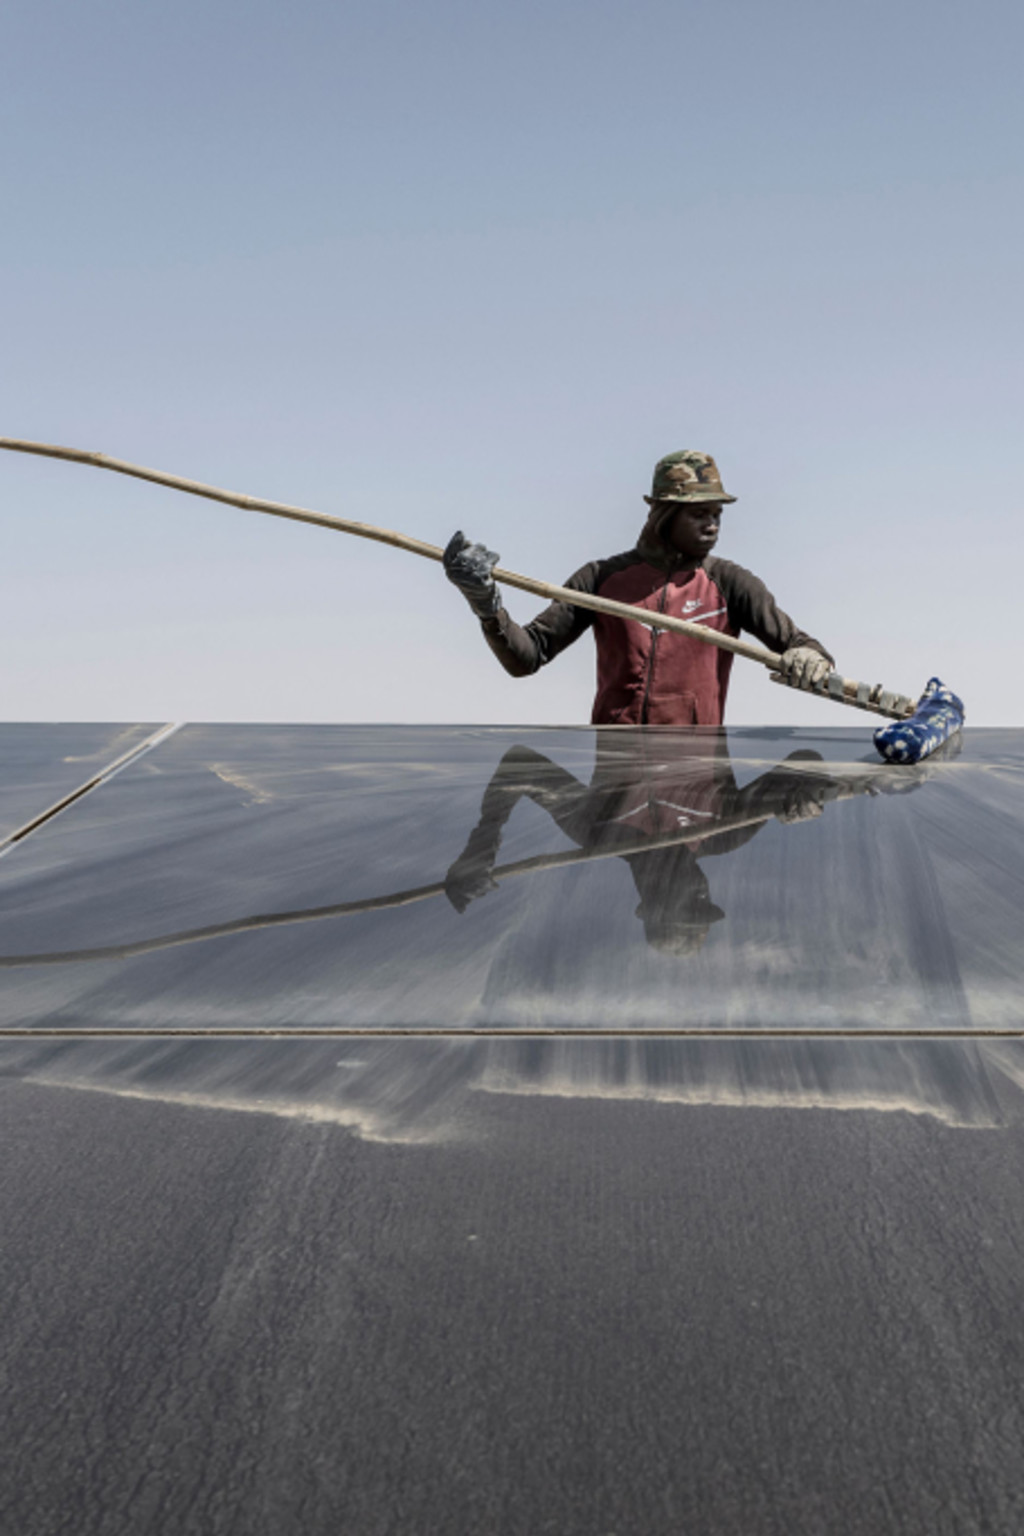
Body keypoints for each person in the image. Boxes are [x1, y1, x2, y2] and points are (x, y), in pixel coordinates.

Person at [443, 449, 833, 726]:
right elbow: (525, 659)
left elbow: (802, 644)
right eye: (699, 513)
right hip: (614, 781)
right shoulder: (598, 580)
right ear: (663, 515)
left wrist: (810, 658)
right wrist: (485, 604)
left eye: (717, 514)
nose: (712, 524)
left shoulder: (730, 583)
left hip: (699, 786)